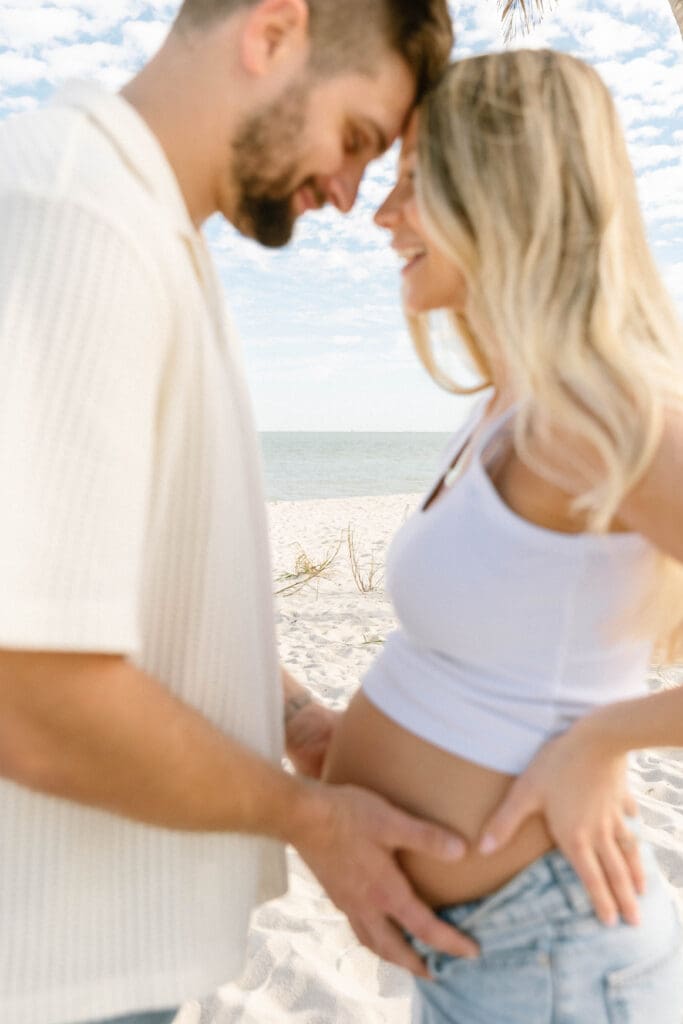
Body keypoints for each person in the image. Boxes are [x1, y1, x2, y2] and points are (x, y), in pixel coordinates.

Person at [0, 3, 478, 1023]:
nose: (351, 195)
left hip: (100, 956)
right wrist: (307, 816)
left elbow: (115, 595)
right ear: (272, 31)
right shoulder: (75, 217)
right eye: (354, 138)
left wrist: (296, 717)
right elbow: (26, 691)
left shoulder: (145, 235)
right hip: (43, 970)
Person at [323, 49, 683, 1022]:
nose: (380, 213)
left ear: (501, 188)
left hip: (557, 952)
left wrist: (606, 738)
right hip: (485, 955)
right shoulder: (508, 404)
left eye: (410, 185)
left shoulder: (607, 413)